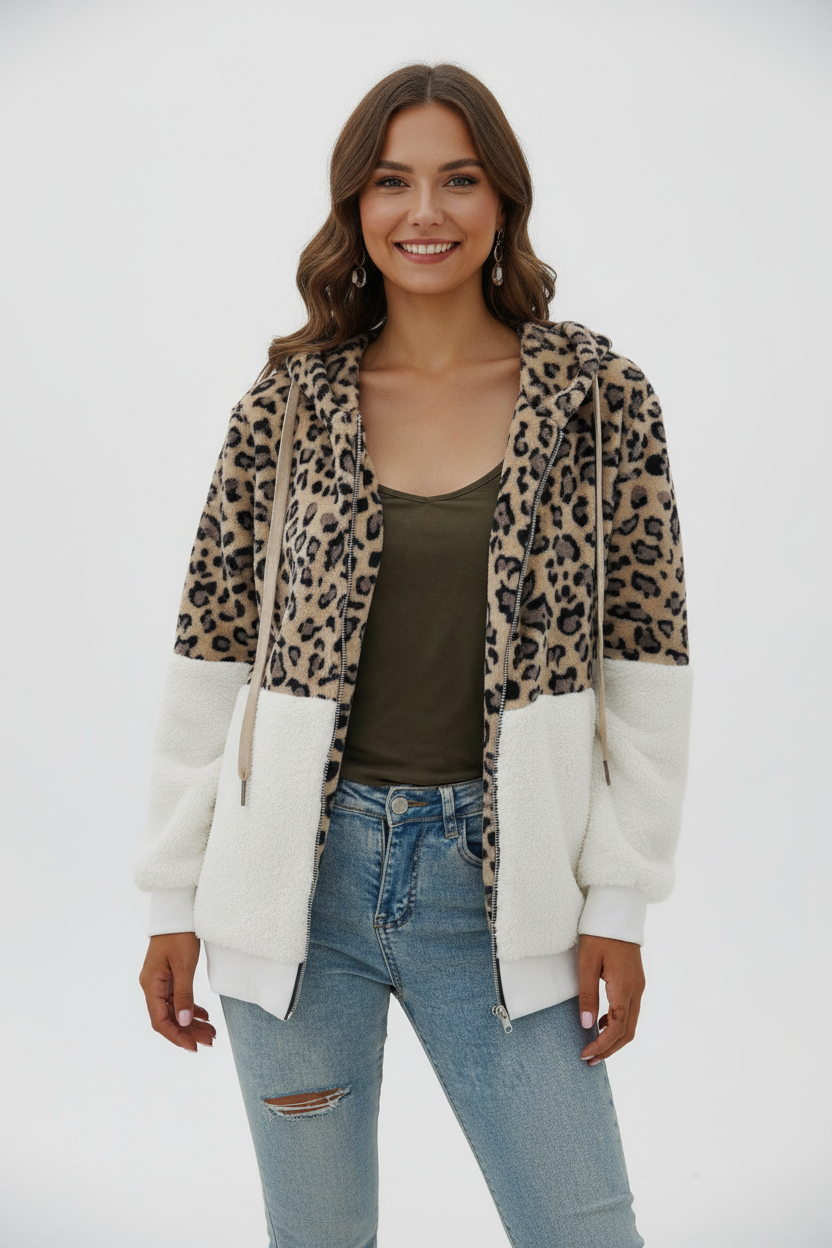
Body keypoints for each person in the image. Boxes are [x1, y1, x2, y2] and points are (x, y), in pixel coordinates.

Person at [135, 61, 692, 1248]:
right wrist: (171, 898)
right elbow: (209, 656)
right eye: (391, 182)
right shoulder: (287, 406)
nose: (424, 211)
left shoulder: (597, 399)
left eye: (459, 179)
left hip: (505, 884)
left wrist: (620, 900)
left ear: (503, 201)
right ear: (355, 204)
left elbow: (646, 664)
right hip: (295, 890)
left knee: (584, 1229)